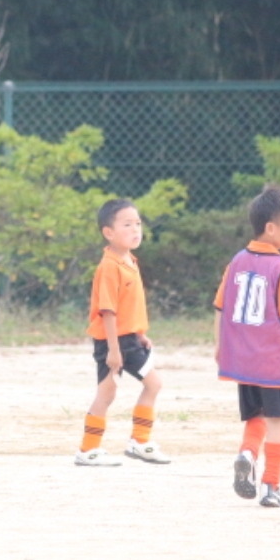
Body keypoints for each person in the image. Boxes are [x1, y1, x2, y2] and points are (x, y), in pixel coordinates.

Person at [214, 185, 280, 508]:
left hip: (244, 360)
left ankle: (246, 453)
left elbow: (221, 307)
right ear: (271, 228)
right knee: (277, 421)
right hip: (273, 360)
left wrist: (220, 346)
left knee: (255, 414)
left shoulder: (236, 262)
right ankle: (271, 486)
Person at [74, 199, 171, 467]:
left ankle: (135, 442)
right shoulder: (109, 266)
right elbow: (108, 311)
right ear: (108, 232)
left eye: (138, 223)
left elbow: (129, 307)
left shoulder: (130, 260)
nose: (135, 229)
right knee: (114, 393)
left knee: (144, 386)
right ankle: (93, 449)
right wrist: (114, 351)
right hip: (113, 342)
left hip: (128, 339)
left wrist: (139, 333)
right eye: (127, 225)